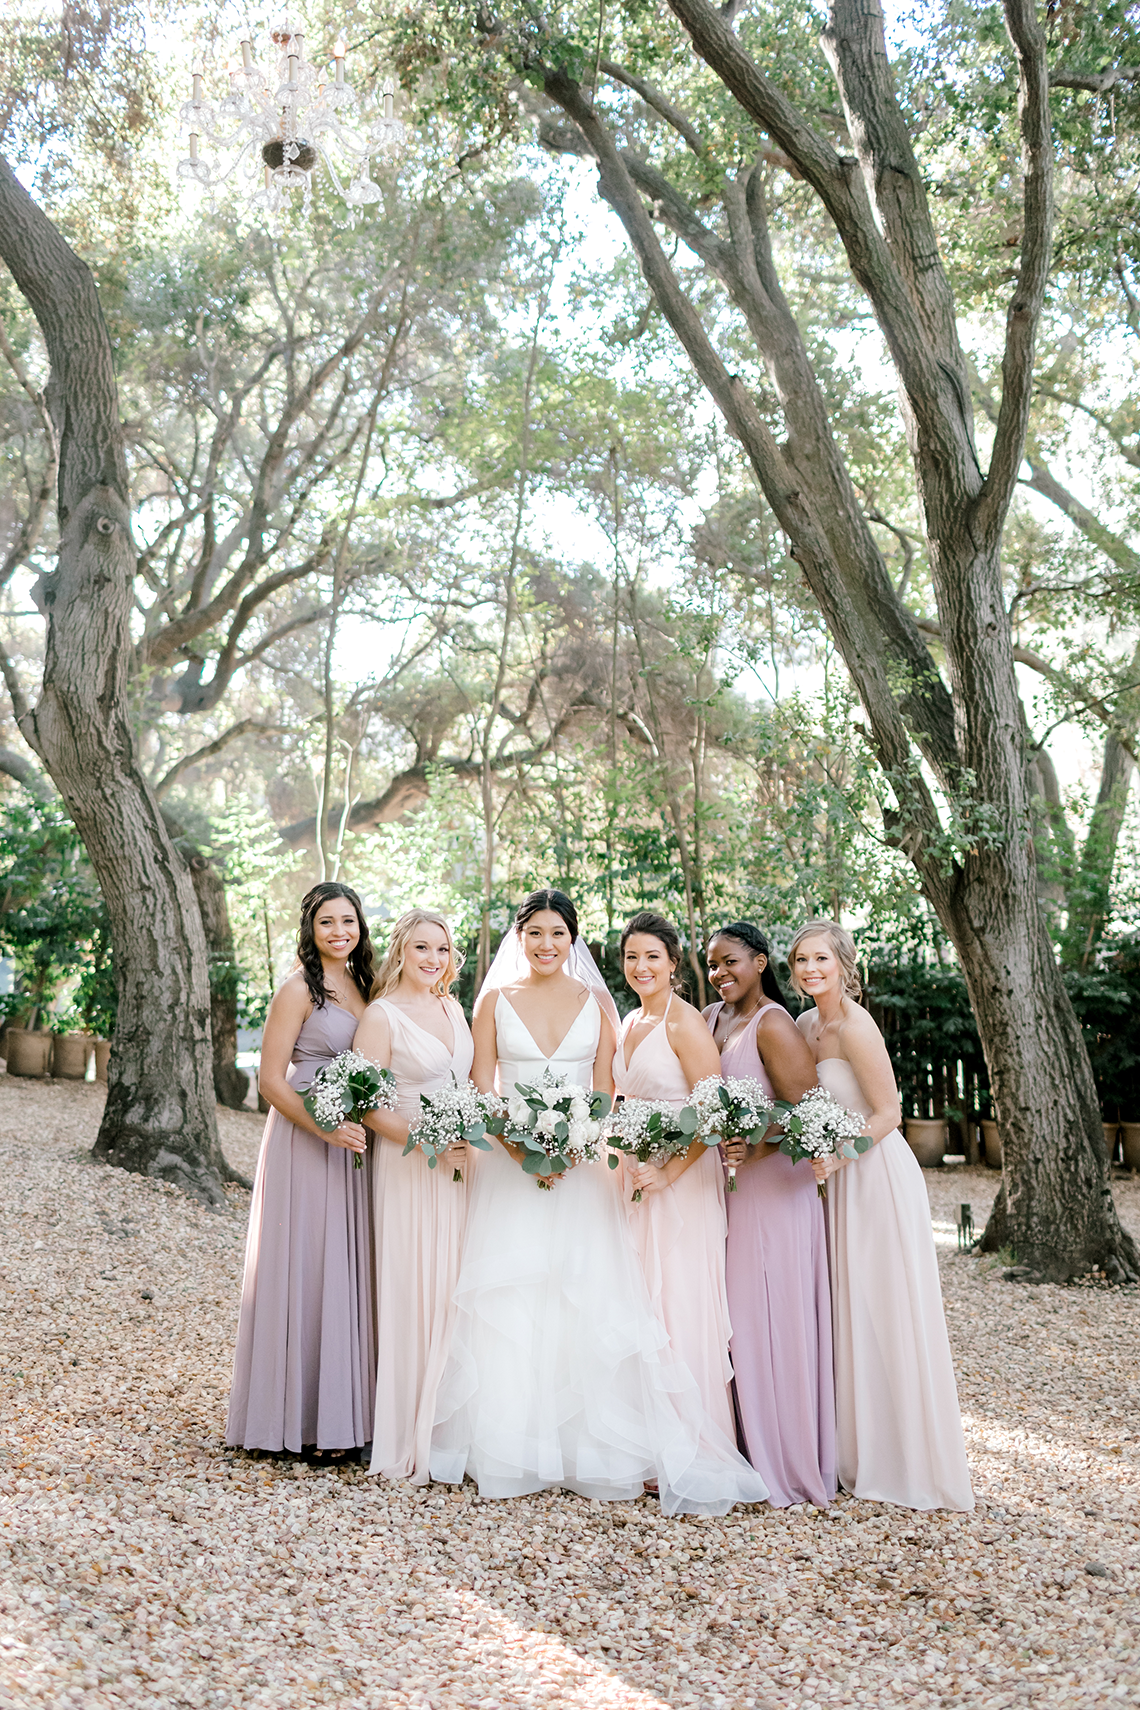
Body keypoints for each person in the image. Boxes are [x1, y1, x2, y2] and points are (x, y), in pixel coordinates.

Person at [430, 888, 766, 1514]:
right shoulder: (493, 1003)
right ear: (519, 937)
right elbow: (481, 1089)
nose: (547, 944)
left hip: (583, 1167)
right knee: (517, 1296)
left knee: (584, 1294)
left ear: (573, 939)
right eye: (535, 933)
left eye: (559, 933)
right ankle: (510, 1447)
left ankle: (588, 1448)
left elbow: (611, 1092)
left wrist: (572, 1143)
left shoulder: (601, 1005)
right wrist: (524, 1150)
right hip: (511, 1170)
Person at [791, 919, 974, 1511]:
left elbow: (889, 1112)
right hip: (835, 1182)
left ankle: (909, 1462)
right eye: (801, 962)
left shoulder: (856, 1025)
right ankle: (859, 1452)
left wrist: (839, 1158)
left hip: (873, 1176)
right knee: (849, 1310)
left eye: (821, 959)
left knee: (886, 1307)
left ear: (844, 964)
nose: (810, 970)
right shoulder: (804, 1025)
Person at [226, 882, 376, 1459]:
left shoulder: (367, 986)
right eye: (327, 923)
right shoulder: (297, 990)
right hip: (307, 1138)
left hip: (358, 1140)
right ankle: (293, 1420)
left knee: (347, 1268)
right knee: (309, 1266)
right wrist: (323, 1126)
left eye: (349, 921)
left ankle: (346, 1415)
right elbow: (269, 1080)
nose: (340, 932)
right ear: (310, 931)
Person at [704, 922, 836, 1507]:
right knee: (737, 1318)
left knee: (775, 1319)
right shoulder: (709, 1018)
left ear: (759, 962)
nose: (720, 973)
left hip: (777, 1191)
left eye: (730, 961)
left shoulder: (773, 1023)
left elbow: (811, 1114)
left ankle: (784, 1458)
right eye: (712, 964)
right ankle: (743, 1446)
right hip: (730, 1192)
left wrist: (755, 1144)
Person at [353, 910, 474, 1483]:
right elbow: (370, 1107)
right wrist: (430, 1142)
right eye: (423, 948)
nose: (434, 958)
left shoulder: (453, 1007)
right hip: (409, 1167)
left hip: (461, 1167)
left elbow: (468, 1087)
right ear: (402, 950)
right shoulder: (382, 1016)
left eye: (443, 949)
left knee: (455, 1289)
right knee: (414, 1290)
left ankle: (452, 1430)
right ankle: (408, 1433)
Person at [613, 911, 736, 1445]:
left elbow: (713, 1112)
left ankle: (689, 1442)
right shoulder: (629, 1021)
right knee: (639, 1299)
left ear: (672, 963)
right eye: (632, 957)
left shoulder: (683, 1022)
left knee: (677, 1300)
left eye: (652, 957)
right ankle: (645, 1442)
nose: (641, 966)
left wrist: (667, 1171)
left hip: (680, 1178)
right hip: (633, 1174)